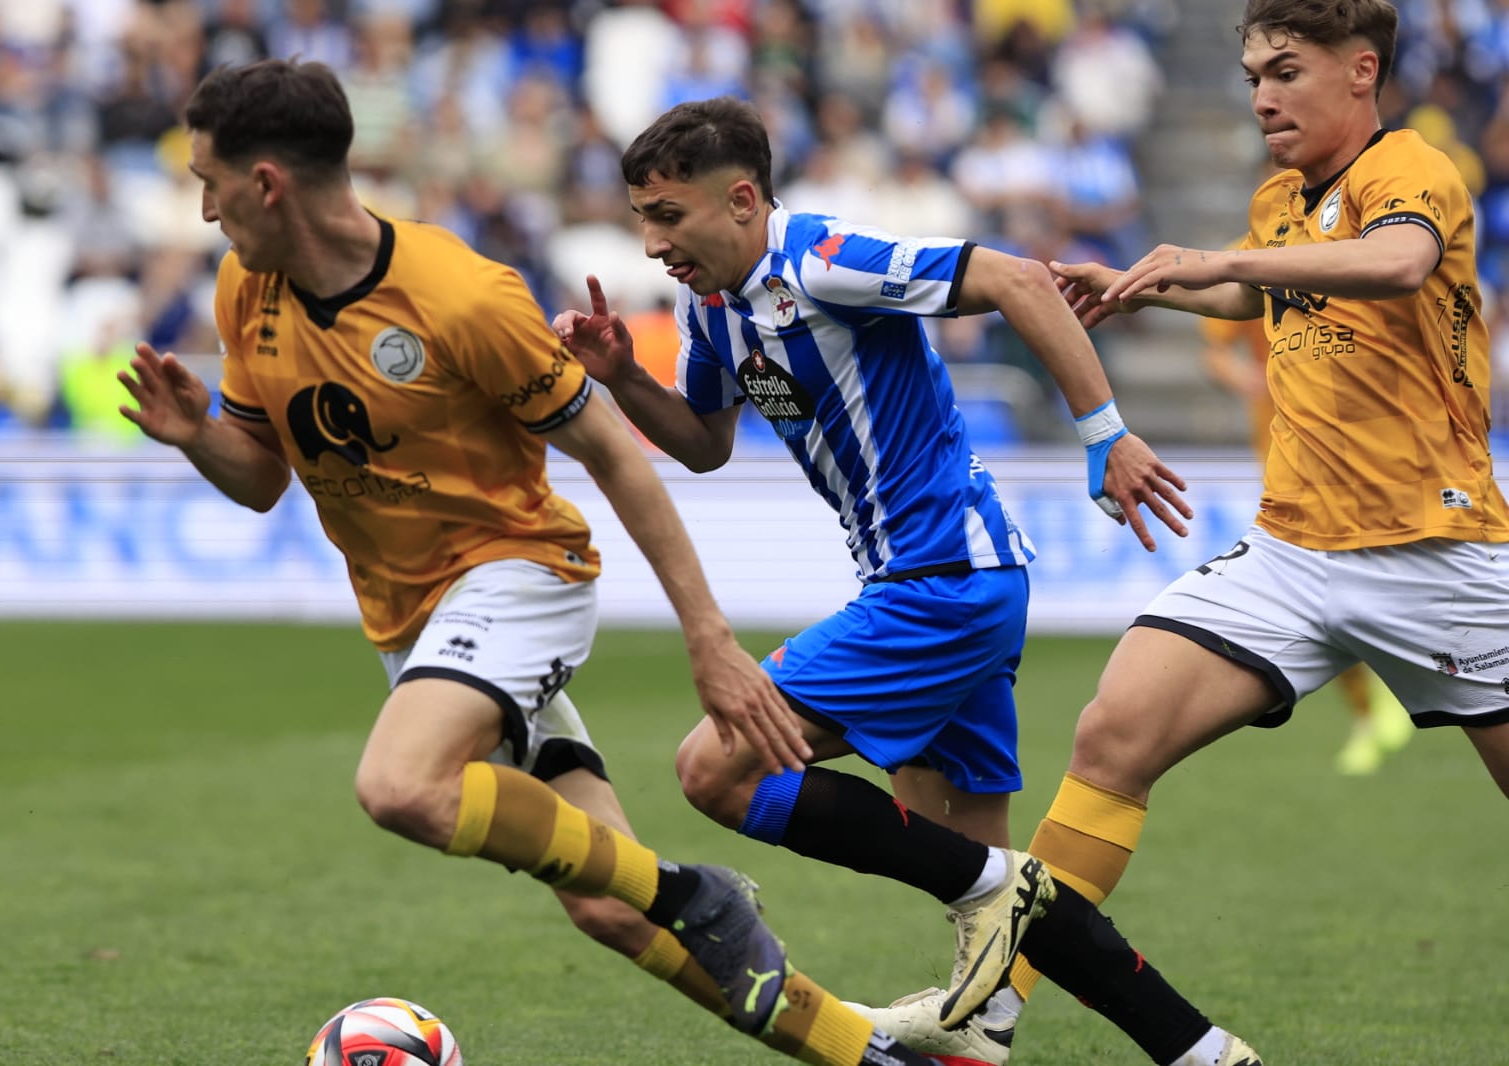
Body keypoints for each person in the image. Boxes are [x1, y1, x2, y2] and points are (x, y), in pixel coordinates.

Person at [117, 58, 952, 1066]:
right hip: (415, 621)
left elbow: (616, 456)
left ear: (266, 183)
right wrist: (195, 432)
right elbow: (259, 476)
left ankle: (692, 890)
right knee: (606, 909)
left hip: (521, 576)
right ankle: (866, 1054)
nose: (201, 209)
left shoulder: (459, 296)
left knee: (401, 785)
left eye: (208, 180)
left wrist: (708, 636)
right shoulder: (244, 287)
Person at [554, 95, 1261, 1066]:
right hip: (941, 583)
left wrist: (1105, 433)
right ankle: (1200, 1051)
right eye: (641, 217)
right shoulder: (711, 310)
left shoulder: (824, 260)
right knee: (989, 882)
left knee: (719, 767)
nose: (650, 242)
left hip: (942, 580)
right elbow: (705, 444)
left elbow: (1015, 277)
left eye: (667, 216)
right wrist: (625, 379)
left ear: (742, 199)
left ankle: (990, 907)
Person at [982, 0, 1509, 1040]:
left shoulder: (1411, 169)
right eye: (1252, 76)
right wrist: (1145, 291)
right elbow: (1257, 297)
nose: (1263, 95)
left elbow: (1394, 261)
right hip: (1291, 550)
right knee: (1109, 733)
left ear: (1361, 71)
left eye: (1285, 71)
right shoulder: (1281, 200)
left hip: (1437, 553)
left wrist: (1219, 261)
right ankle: (986, 1011)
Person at [1196, 291, 1415, 775]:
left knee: (1368, 573)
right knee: (1323, 584)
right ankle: (1368, 712)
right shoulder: (1247, 255)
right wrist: (1244, 376)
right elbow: (1213, 349)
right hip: (1281, 449)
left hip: (1365, 438)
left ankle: (1399, 692)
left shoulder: (1352, 245)